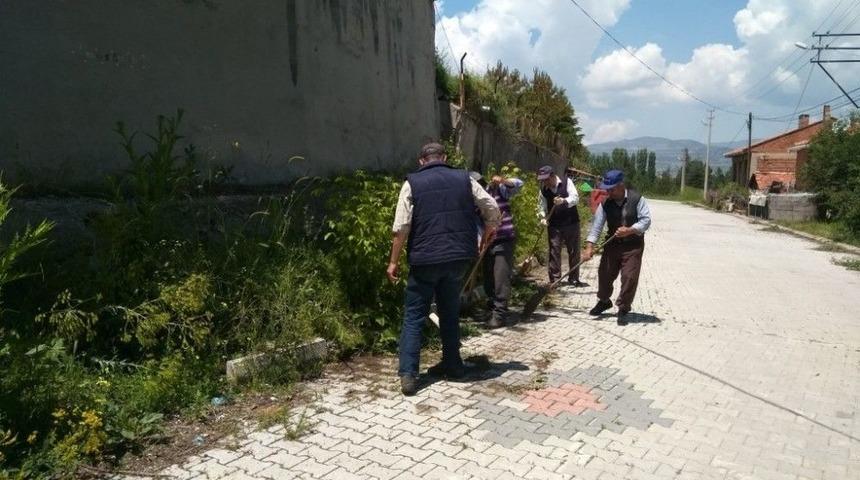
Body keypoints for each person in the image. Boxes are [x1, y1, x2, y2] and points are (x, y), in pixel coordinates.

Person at [387, 142, 501, 396]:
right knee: (449, 311)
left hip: (425, 260)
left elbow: (401, 227)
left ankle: (408, 375)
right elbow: (492, 207)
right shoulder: (465, 179)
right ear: (445, 157)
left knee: (415, 316)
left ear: (421, 161)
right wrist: (488, 232)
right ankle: (454, 366)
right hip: (458, 258)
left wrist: (393, 262)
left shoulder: (412, 183)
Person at [581, 170, 652, 326]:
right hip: (612, 245)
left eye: (611, 189)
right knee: (605, 274)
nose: (608, 192)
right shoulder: (605, 203)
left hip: (633, 245)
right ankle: (604, 301)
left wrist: (630, 229)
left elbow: (646, 221)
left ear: (621, 186)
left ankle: (623, 307)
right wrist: (589, 247)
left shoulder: (637, 199)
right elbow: (597, 227)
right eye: (607, 188)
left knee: (629, 277)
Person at [478, 173, 524, 329]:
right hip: (487, 242)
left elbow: (518, 184)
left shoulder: (498, 190)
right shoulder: (473, 200)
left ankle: (499, 315)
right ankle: (491, 309)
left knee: (500, 279)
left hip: (504, 240)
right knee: (488, 280)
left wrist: (503, 181)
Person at [537, 165, 586, 287]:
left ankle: (574, 278)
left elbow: (575, 198)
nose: (545, 182)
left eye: (546, 179)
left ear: (553, 176)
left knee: (574, 251)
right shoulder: (543, 190)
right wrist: (543, 217)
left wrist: (564, 201)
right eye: (543, 180)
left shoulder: (566, 182)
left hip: (571, 223)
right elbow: (541, 207)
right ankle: (555, 279)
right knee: (554, 251)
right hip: (554, 225)